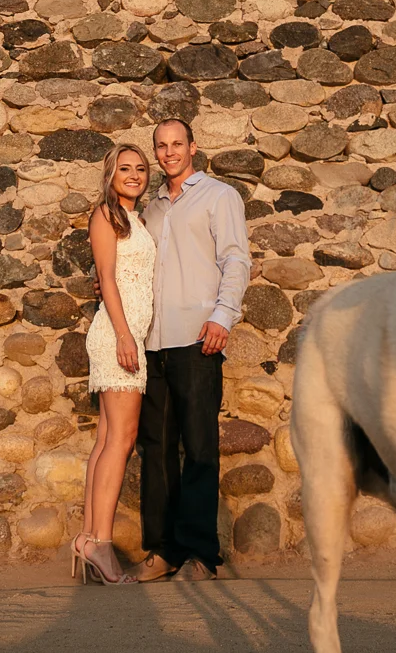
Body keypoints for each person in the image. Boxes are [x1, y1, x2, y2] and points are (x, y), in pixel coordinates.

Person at [132, 117, 251, 582]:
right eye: (161, 146)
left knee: (199, 446)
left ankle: (202, 555)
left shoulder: (220, 197)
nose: (168, 153)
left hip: (198, 336)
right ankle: (164, 550)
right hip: (153, 340)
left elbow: (236, 258)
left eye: (176, 144)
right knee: (157, 447)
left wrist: (223, 315)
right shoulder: (153, 208)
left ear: (193, 147)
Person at [74, 143, 156, 584]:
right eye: (125, 168)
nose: (133, 175)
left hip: (128, 336)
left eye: (140, 169)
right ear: (110, 174)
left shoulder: (135, 218)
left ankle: (88, 539)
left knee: (107, 439)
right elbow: (106, 277)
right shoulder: (106, 214)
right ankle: (101, 546)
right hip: (118, 337)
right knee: (121, 440)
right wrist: (126, 336)